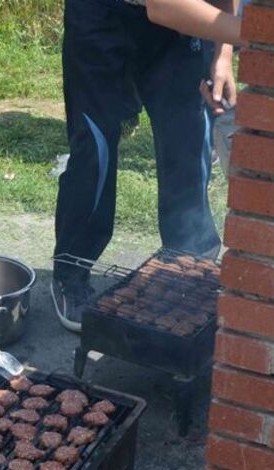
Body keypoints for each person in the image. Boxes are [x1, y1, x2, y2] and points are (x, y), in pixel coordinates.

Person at [51, 0, 240, 332]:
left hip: (176, 31)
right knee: (95, 149)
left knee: (188, 139)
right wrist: (266, 36)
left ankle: (190, 263)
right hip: (101, 16)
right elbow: (162, 6)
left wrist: (222, 56)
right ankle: (72, 270)